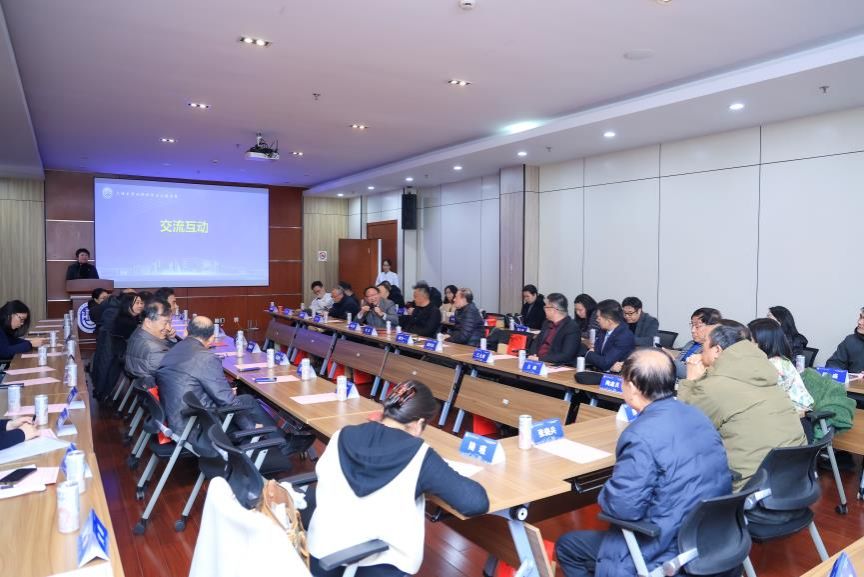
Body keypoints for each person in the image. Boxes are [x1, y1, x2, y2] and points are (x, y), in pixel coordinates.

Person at [556, 350, 731, 577]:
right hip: (711, 537)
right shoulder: (696, 415)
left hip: (664, 546)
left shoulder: (640, 435)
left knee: (568, 547)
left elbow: (622, 508)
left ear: (633, 386)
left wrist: (607, 488)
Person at [307, 381, 489, 577]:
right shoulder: (420, 455)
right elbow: (475, 503)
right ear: (419, 423)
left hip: (320, 554)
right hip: (378, 566)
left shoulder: (341, 435)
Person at [678, 321, 807, 490]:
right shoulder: (764, 373)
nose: (700, 353)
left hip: (750, 486)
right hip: (795, 479)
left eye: (703, 346)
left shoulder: (716, 386)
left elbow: (683, 427)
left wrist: (691, 380)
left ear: (717, 350)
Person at [157, 316, 275, 436]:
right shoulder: (206, 358)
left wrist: (226, 392)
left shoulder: (175, 348)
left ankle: (276, 438)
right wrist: (252, 428)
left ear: (186, 332)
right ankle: (278, 442)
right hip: (200, 426)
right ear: (211, 338)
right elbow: (227, 402)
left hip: (177, 417)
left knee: (247, 400)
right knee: (244, 406)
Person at [748, 318, 814, 412]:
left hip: (797, 413)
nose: (745, 344)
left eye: (749, 340)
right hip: (780, 410)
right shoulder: (766, 361)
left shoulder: (775, 364)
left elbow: (766, 397)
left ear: (764, 342)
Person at [125, 299, 176, 378]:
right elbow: (176, 373)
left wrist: (170, 338)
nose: (169, 328)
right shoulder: (155, 351)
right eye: (165, 323)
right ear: (148, 322)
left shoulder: (138, 332)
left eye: (170, 322)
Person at [526, 293, 580, 365]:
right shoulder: (546, 323)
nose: (544, 309)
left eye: (545, 307)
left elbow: (566, 355)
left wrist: (540, 359)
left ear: (553, 309)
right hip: (537, 362)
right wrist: (533, 355)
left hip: (555, 365)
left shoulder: (571, 327)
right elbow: (536, 342)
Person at [583, 300, 636, 373]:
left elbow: (605, 363)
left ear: (609, 321)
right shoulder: (603, 330)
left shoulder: (624, 336)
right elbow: (601, 358)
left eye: (599, 318)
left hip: (615, 376)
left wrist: (589, 354)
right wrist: (608, 366)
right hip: (598, 372)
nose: (597, 320)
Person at [672, 307, 722, 379]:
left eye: (697, 326)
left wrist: (670, 362)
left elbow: (692, 374)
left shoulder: (712, 350)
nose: (692, 330)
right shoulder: (690, 343)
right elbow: (680, 361)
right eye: (692, 325)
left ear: (712, 327)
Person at [826, 307, 864, 373]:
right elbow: (834, 364)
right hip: (854, 380)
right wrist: (838, 373)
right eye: (860, 317)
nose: (859, 322)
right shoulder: (850, 341)